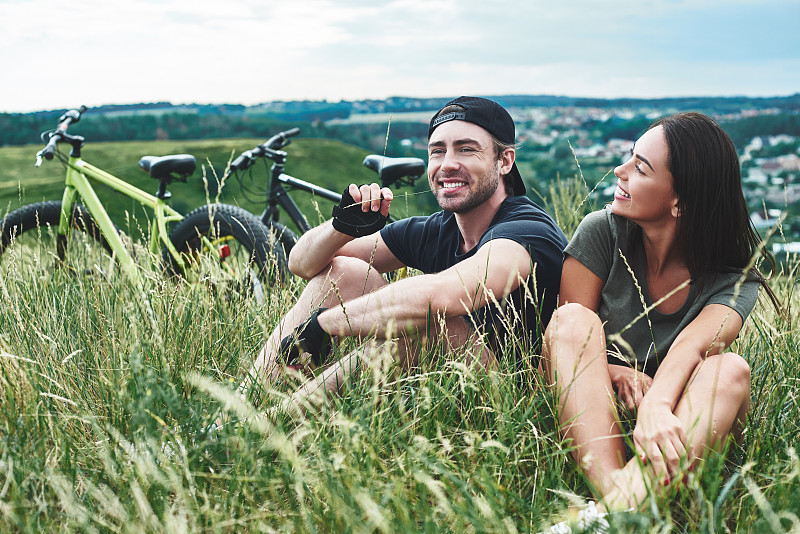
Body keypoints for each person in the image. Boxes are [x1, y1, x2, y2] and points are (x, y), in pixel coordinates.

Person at [245, 96, 567, 407]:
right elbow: (300, 263)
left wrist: (324, 325)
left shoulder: (526, 230)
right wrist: (339, 227)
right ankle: (238, 408)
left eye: (466, 149)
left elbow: (442, 296)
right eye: (437, 151)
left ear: (505, 161)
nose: (448, 164)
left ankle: (262, 426)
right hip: (451, 379)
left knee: (421, 323)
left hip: (518, 398)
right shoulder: (437, 229)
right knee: (345, 271)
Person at [542, 112, 781, 523]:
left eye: (640, 167)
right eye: (629, 159)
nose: (619, 172)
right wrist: (618, 371)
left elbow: (692, 347)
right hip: (603, 414)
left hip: (687, 424)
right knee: (571, 322)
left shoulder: (734, 279)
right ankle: (621, 508)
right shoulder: (602, 230)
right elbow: (568, 347)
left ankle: (606, 516)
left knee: (729, 369)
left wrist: (654, 407)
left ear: (680, 201)